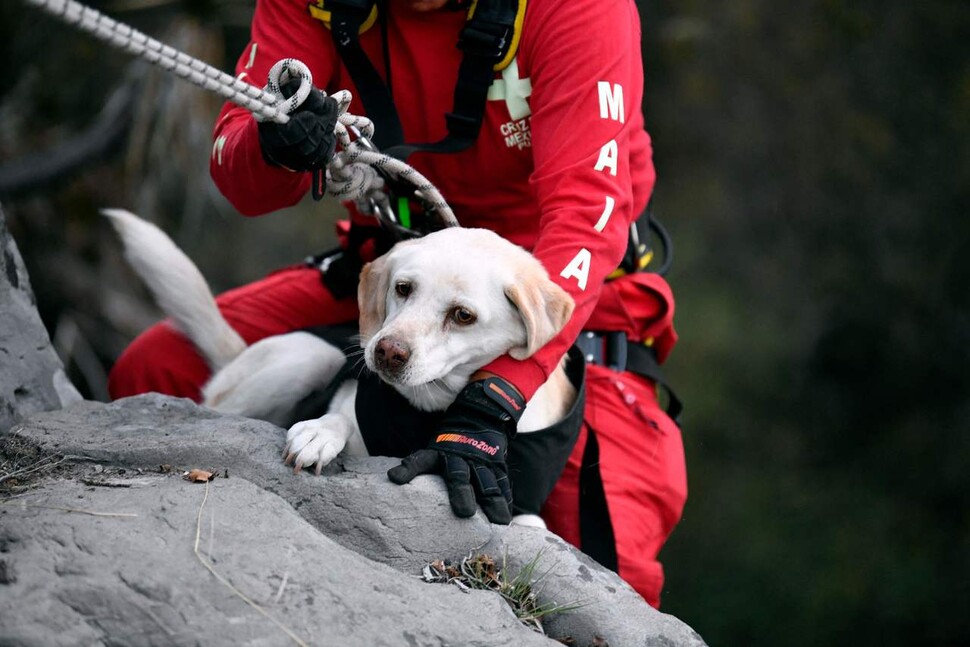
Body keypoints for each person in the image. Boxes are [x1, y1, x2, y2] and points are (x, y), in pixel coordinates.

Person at [109, 0, 687, 608]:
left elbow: (585, 223)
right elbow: (236, 175)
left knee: (610, 573)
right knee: (158, 369)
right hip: (393, 274)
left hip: (561, 303)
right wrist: (274, 142)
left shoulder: (576, 9)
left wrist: (499, 393)